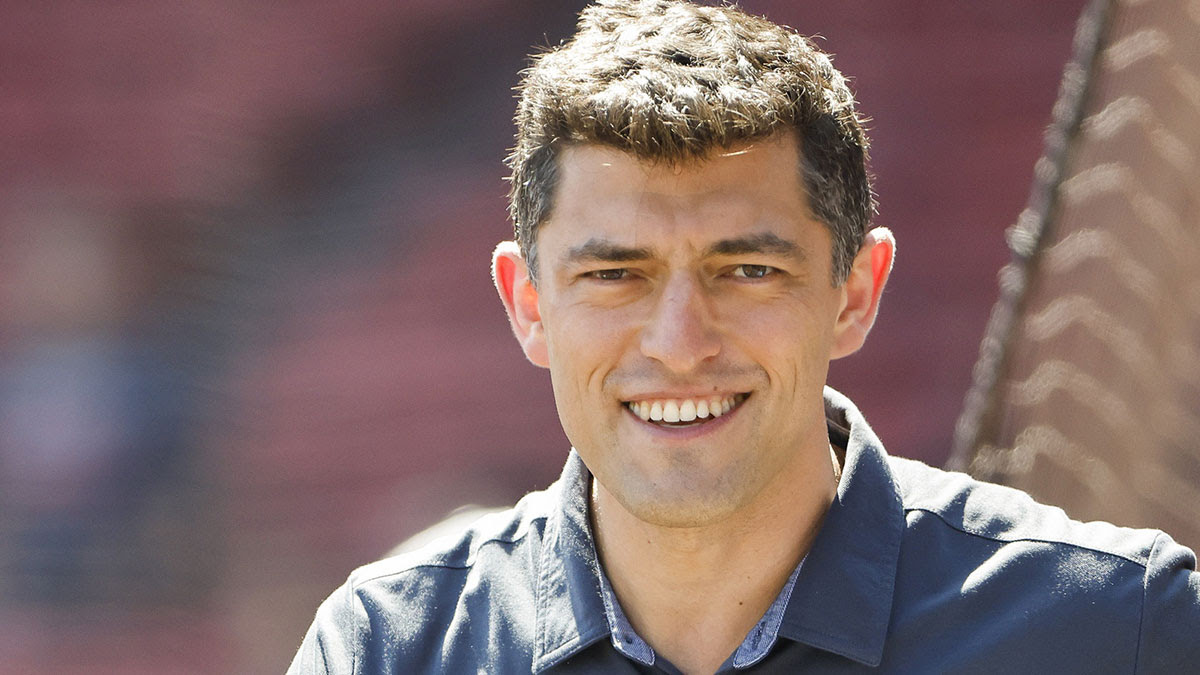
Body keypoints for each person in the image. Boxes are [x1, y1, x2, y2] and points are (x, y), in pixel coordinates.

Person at [287, 1, 1200, 672]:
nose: (681, 341)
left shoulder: (1119, 630)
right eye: (615, 274)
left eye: (747, 269)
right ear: (527, 302)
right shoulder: (386, 648)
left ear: (855, 290)